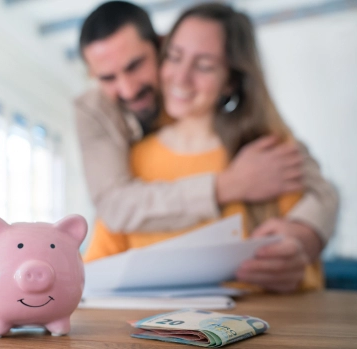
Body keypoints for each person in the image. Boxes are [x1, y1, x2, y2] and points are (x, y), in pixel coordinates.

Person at [76, 1, 338, 292]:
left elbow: (323, 193)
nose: (127, 89)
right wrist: (226, 185)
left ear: (159, 47)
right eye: (107, 77)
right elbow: (115, 209)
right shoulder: (107, 125)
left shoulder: (263, 149)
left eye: (204, 65)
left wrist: (303, 238)